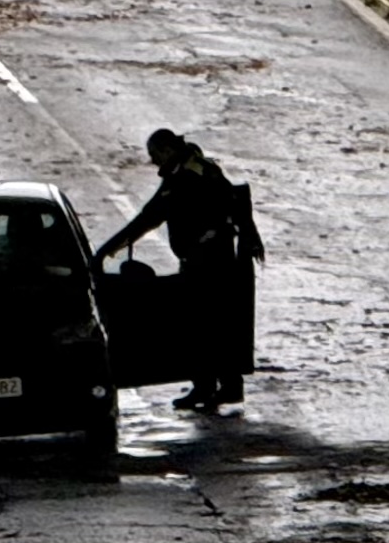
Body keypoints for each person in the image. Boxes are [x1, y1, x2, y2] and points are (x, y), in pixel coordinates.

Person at [98, 128, 265, 412]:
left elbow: (150, 216)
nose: (153, 163)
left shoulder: (184, 178)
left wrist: (109, 249)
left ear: (166, 150)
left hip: (207, 263)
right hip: (217, 259)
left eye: (154, 155)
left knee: (200, 324)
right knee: (218, 323)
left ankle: (209, 387)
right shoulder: (201, 168)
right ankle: (224, 386)